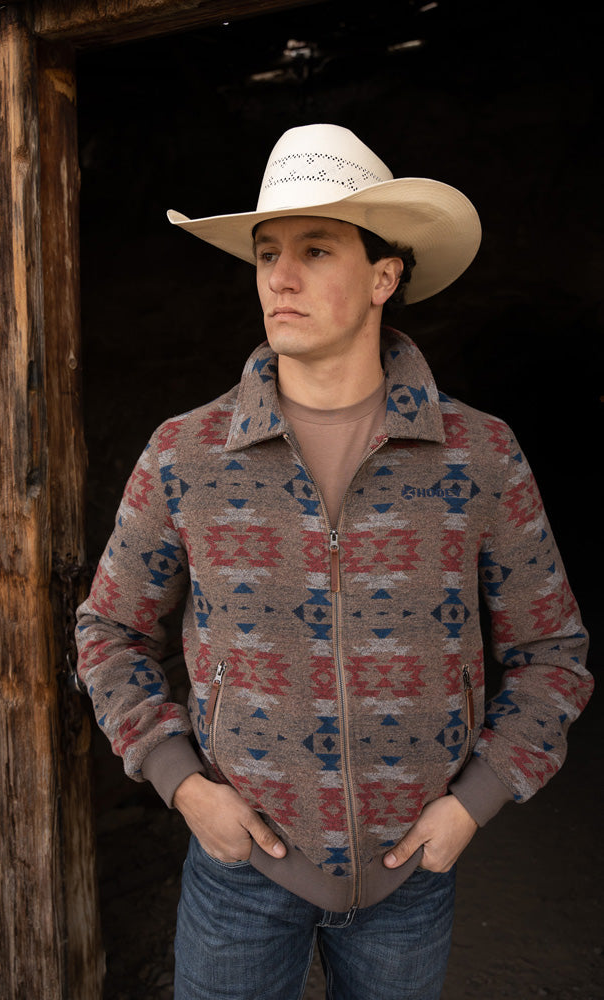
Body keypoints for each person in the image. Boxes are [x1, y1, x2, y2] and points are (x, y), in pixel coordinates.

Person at [76, 124, 592, 1000]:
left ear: (384, 276)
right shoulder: (185, 452)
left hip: (409, 880)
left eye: (316, 250)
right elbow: (108, 630)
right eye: (265, 252)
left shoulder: (478, 454)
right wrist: (182, 785)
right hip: (238, 876)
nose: (279, 277)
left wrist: (473, 803)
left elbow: (553, 656)